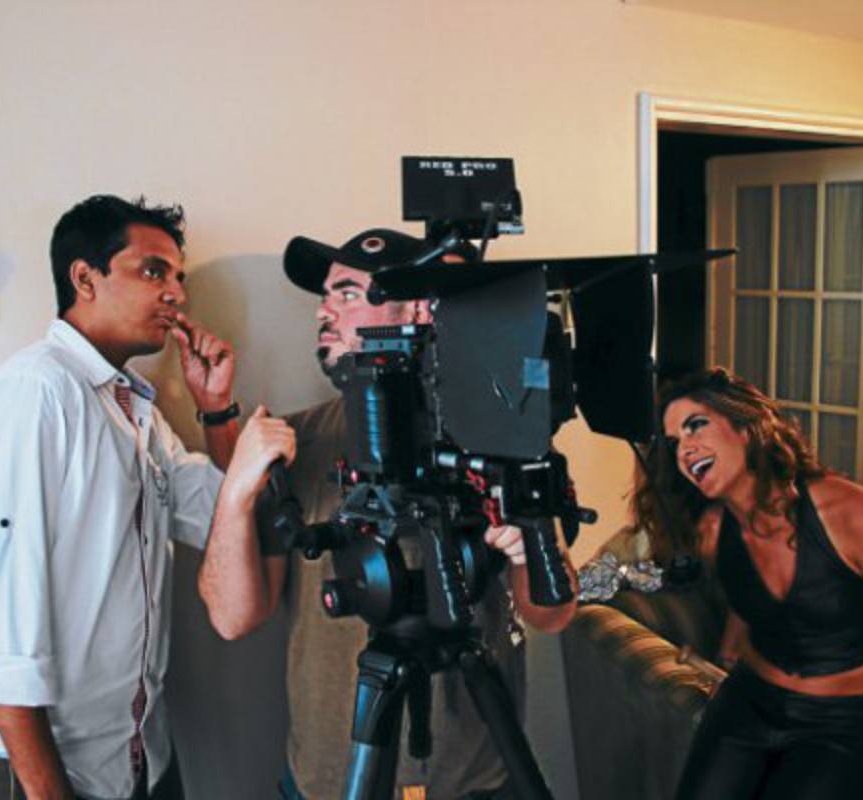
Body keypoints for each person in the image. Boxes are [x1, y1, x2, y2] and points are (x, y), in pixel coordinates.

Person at [0, 195, 294, 800]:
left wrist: (215, 410)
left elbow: (226, 520)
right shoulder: (36, 394)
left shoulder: (134, 413)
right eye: (154, 272)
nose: (177, 294)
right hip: (29, 766)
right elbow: (1, 630)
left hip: (132, 758)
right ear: (84, 278)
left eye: (179, 277)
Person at [197, 228, 578, 799]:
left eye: (349, 294)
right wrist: (235, 492)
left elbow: (551, 615)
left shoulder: (498, 437)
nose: (324, 311)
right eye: (326, 296)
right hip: (328, 777)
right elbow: (233, 618)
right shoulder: (295, 441)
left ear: (418, 310)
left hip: (467, 778)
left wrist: (531, 545)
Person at [632, 367, 863, 800]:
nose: (685, 449)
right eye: (674, 442)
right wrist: (727, 660)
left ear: (745, 428)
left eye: (695, 425)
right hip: (749, 704)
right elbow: (747, 596)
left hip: (843, 723)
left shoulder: (850, 512)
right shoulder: (713, 531)